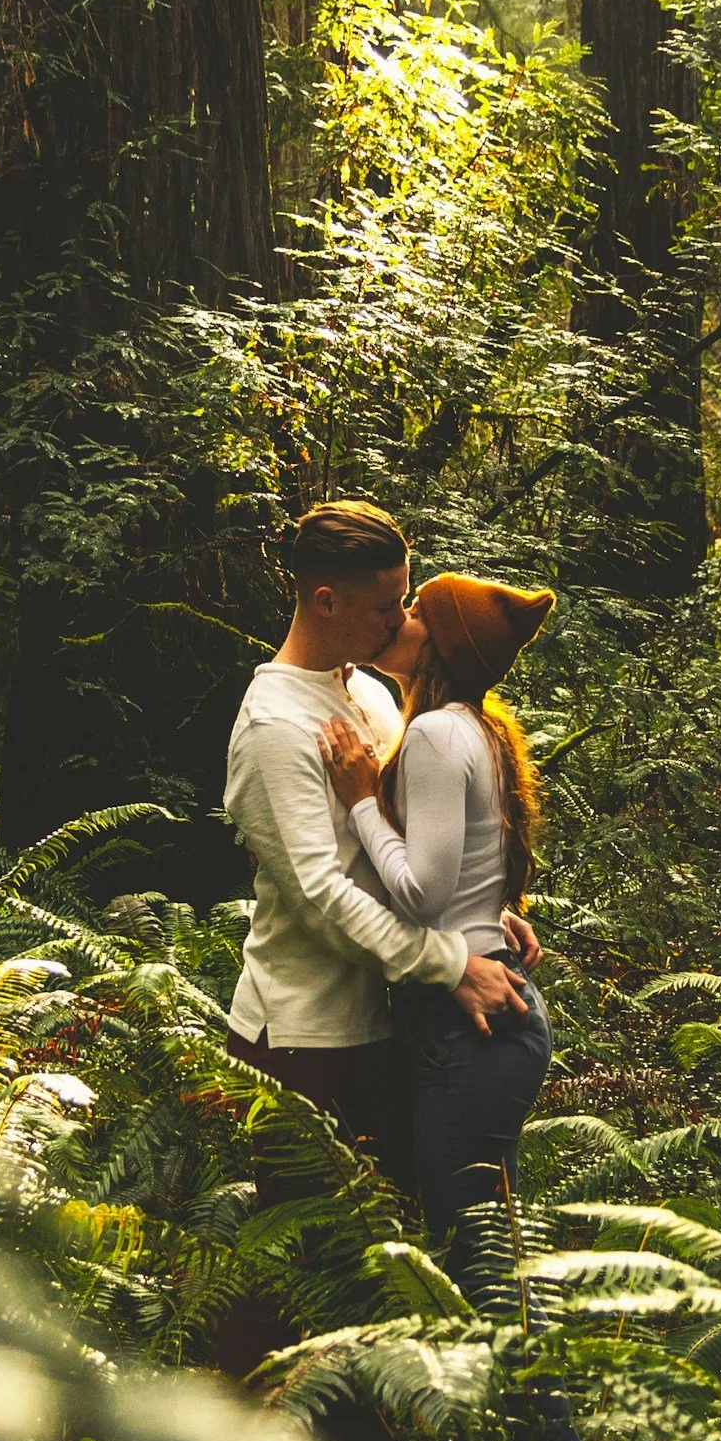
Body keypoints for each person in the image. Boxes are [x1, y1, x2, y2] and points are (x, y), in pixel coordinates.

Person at [222, 501, 534, 1188]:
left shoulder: (370, 695)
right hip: (303, 1040)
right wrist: (450, 963)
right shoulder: (274, 725)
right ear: (326, 601)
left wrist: (474, 912)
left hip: (383, 1027)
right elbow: (320, 897)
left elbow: (403, 845)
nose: (403, 624)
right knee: (298, 1272)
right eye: (388, 609)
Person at [317, 571, 556, 1268]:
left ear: (441, 644)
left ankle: (532, 1382)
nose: (401, 614)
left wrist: (362, 798)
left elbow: (421, 895)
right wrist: (496, 913)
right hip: (482, 1011)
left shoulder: (433, 736)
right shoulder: (471, 729)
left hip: (471, 1023)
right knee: (480, 1254)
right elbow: (466, 871)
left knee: (473, 1261)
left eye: (417, 610)